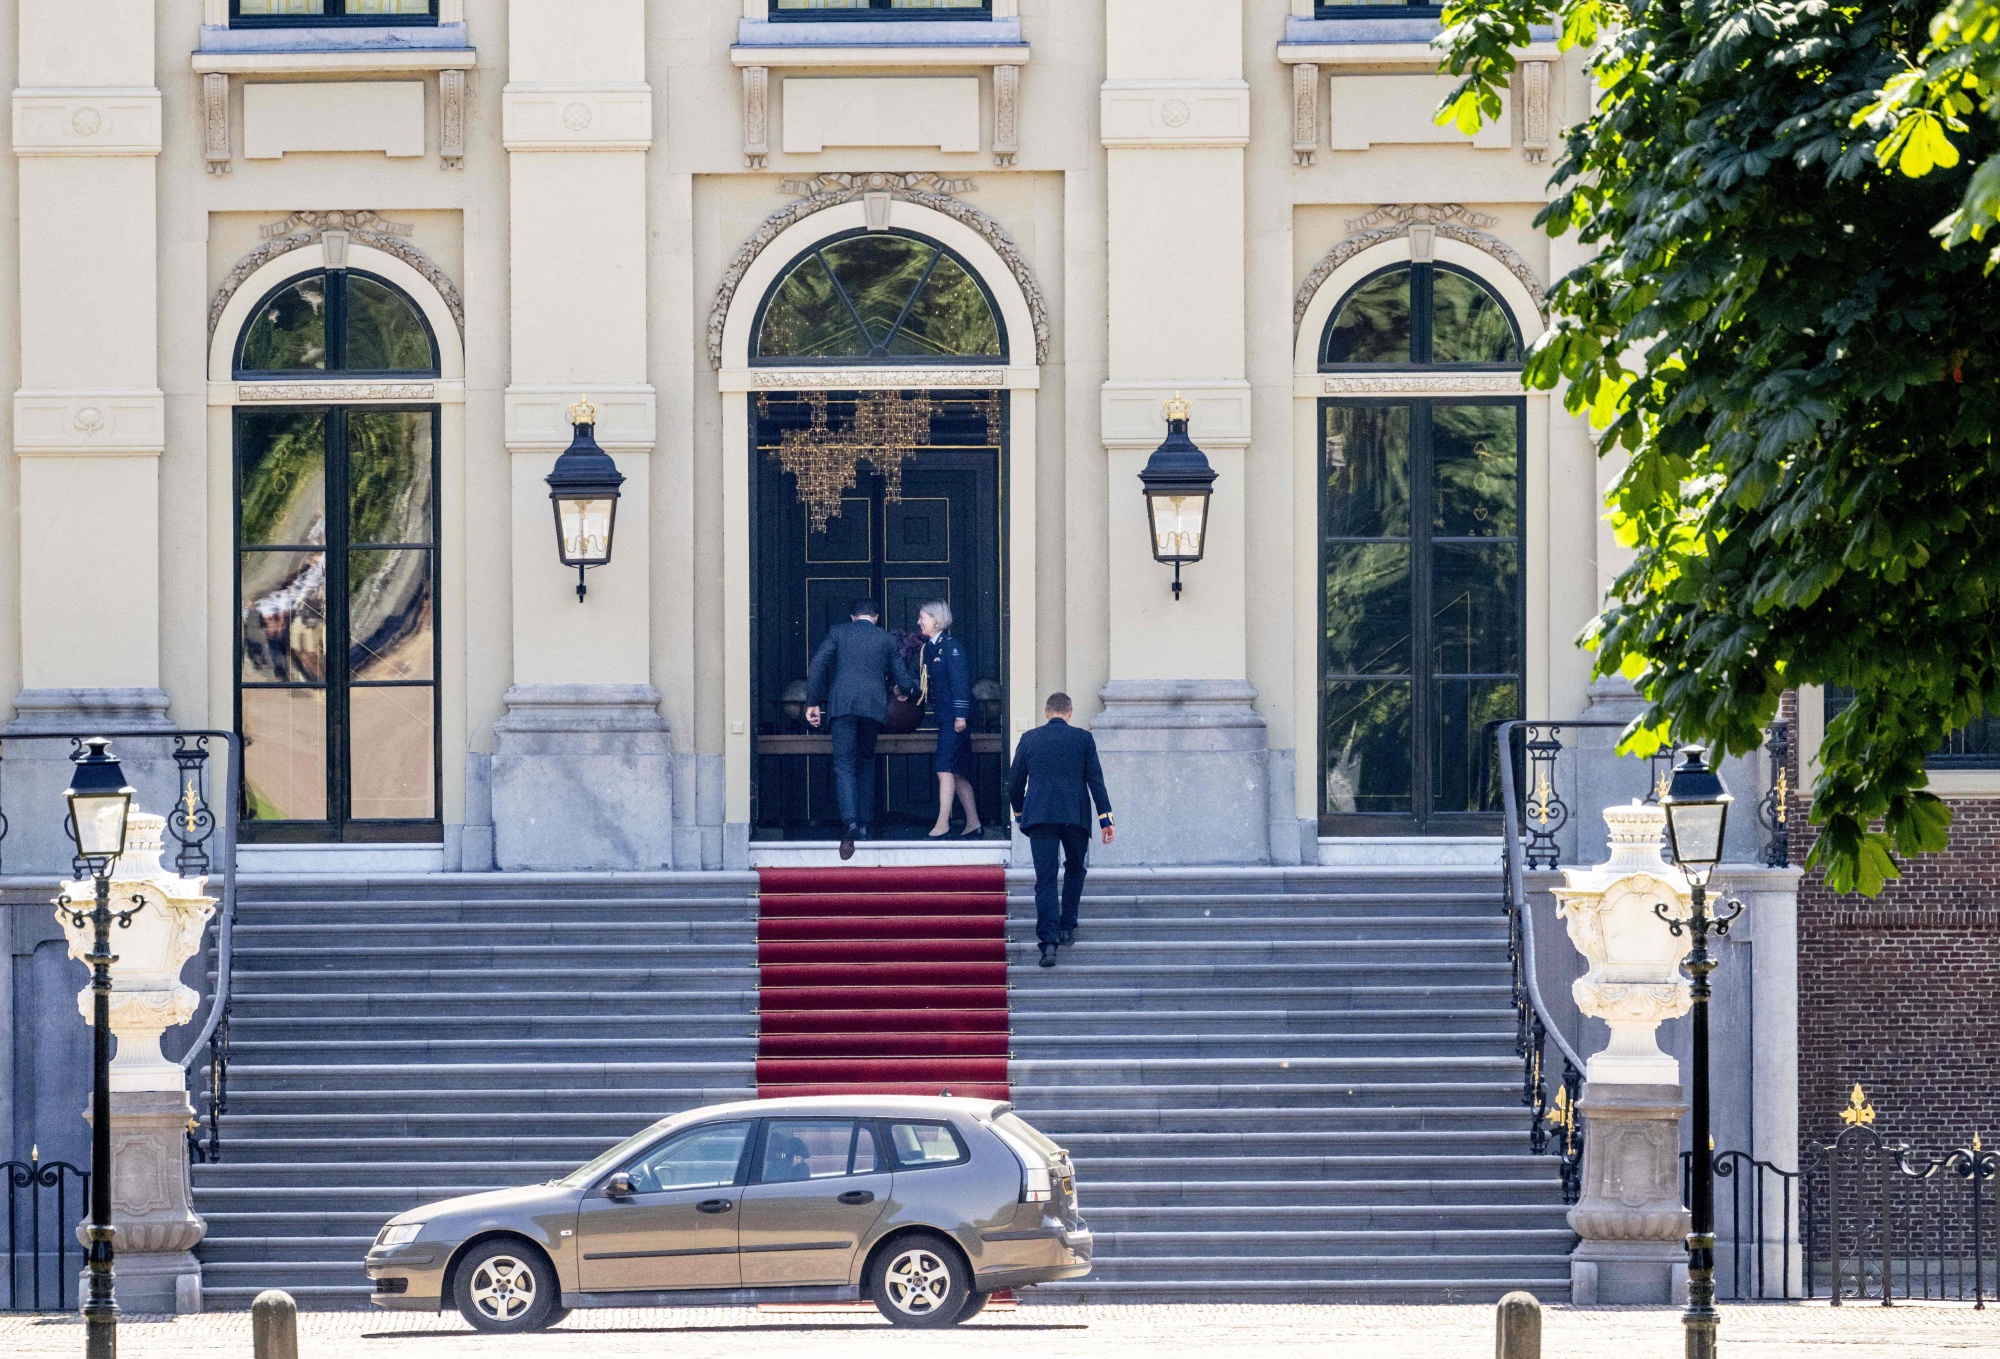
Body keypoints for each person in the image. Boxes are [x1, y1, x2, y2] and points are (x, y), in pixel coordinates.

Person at [1006, 692, 1114, 968]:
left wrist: (1019, 813)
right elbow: (1095, 781)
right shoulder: (1083, 739)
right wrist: (1105, 819)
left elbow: (1014, 782)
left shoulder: (1029, 738)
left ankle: (1049, 944)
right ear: (1070, 712)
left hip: (1040, 817)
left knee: (1045, 879)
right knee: (1075, 869)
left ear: (1046, 712)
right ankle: (1067, 927)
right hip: (1074, 817)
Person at [806, 598, 919, 860]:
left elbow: (818, 665)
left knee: (844, 764)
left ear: (852, 616)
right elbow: (901, 678)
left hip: (842, 706)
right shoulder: (887, 639)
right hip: (873, 707)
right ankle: (866, 824)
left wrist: (812, 702)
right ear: (876, 617)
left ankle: (851, 823)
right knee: (866, 762)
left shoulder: (837, 632)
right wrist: (915, 691)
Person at [918, 600, 983, 840]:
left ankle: (942, 824)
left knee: (944, 768)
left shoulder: (951, 647)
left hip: (955, 719)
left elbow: (960, 683)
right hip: (946, 717)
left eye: (922, 617)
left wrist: (960, 715)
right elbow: (926, 683)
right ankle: (974, 823)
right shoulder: (931, 648)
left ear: (936, 620)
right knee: (956, 772)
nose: (919, 622)